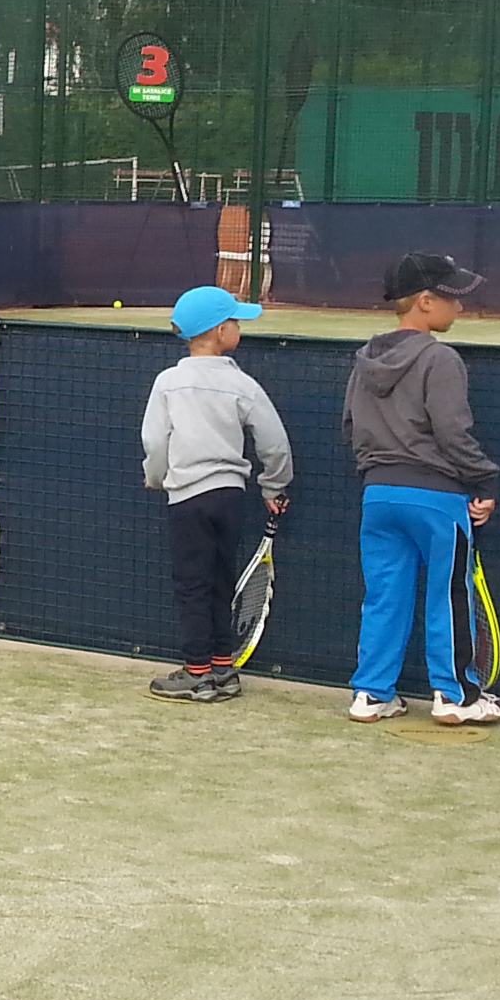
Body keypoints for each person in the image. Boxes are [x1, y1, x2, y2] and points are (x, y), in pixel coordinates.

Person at [343, 254, 500, 726]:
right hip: (437, 500)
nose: (460, 306)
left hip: (378, 498)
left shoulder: (365, 358)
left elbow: (350, 426)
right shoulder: (441, 358)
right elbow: (452, 432)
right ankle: (455, 697)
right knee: (449, 596)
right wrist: (484, 480)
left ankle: (371, 695)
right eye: (452, 297)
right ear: (426, 301)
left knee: (383, 597)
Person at [139, 284, 293, 703]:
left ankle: (197, 674)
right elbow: (275, 444)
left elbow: (154, 442)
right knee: (222, 581)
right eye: (236, 322)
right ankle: (222, 670)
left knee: (193, 585)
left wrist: (156, 477)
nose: (239, 328)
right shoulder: (243, 384)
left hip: (187, 500)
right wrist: (274, 486)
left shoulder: (168, 382)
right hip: (230, 498)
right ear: (221, 331)